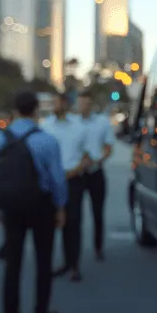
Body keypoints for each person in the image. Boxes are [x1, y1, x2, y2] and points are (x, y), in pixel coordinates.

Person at [0, 90, 67, 313]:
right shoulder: (47, 140)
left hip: (11, 208)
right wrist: (60, 207)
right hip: (41, 206)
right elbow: (57, 179)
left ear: (15, 110)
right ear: (36, 109)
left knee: (13, 265)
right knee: (43, 262)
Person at [42, 91, 90, 282]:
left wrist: (75, 170)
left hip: (73, 180)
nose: (54, 106)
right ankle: (50, 264)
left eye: (56, 102)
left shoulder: (79, 126)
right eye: (52, 102)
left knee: (73, 223)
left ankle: (73, 265)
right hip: (51, 182)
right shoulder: (45, 126)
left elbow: (87, 155)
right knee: (50, 223)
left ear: (65, 104)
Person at [76, 90, 116, 261]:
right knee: (74, 216)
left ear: (91, 104)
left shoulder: (102, 122)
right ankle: (73, 254)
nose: (83, 106)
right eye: (80, 103)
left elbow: (108, 147)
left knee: (98, 213)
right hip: (77, 173)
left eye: (86, 103)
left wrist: (97, 160)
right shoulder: (72, 123)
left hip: (96, 171)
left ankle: (98, 247)